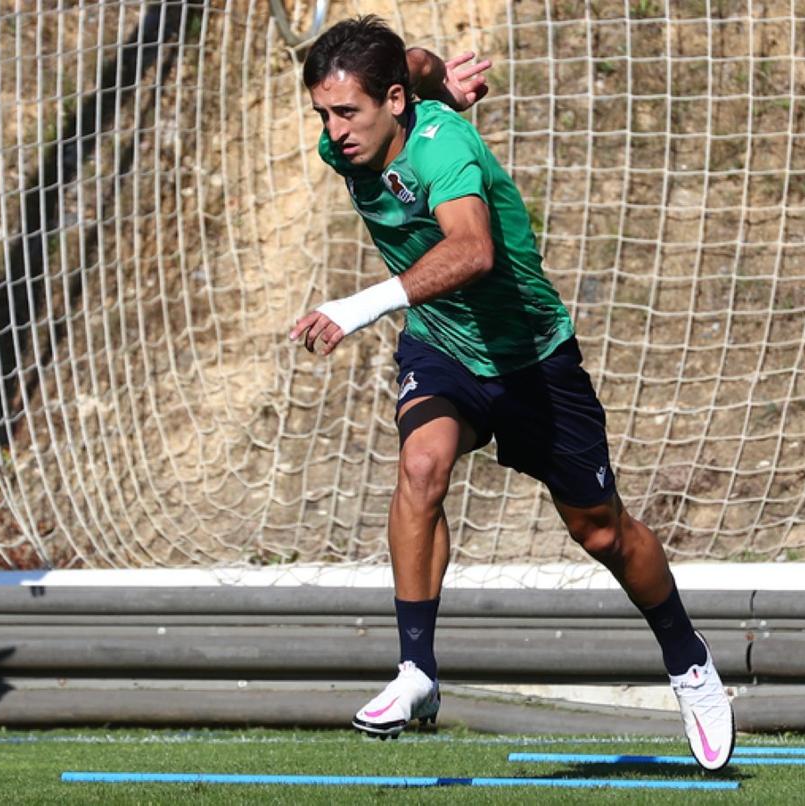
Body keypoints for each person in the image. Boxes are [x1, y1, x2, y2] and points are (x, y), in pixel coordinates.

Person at [289, 16, 734, 771]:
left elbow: (471, 250)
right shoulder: (358, 137)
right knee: (421, 467)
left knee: (601, 533)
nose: (333, 133)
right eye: (323, 115)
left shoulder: (446, 151)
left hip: (531, 359)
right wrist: (443, 81)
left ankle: (688, 660)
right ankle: (417, 672)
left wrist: (355, 307)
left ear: (391, 102)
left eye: (346, 114)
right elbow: (418, 59)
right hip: (444, 346)